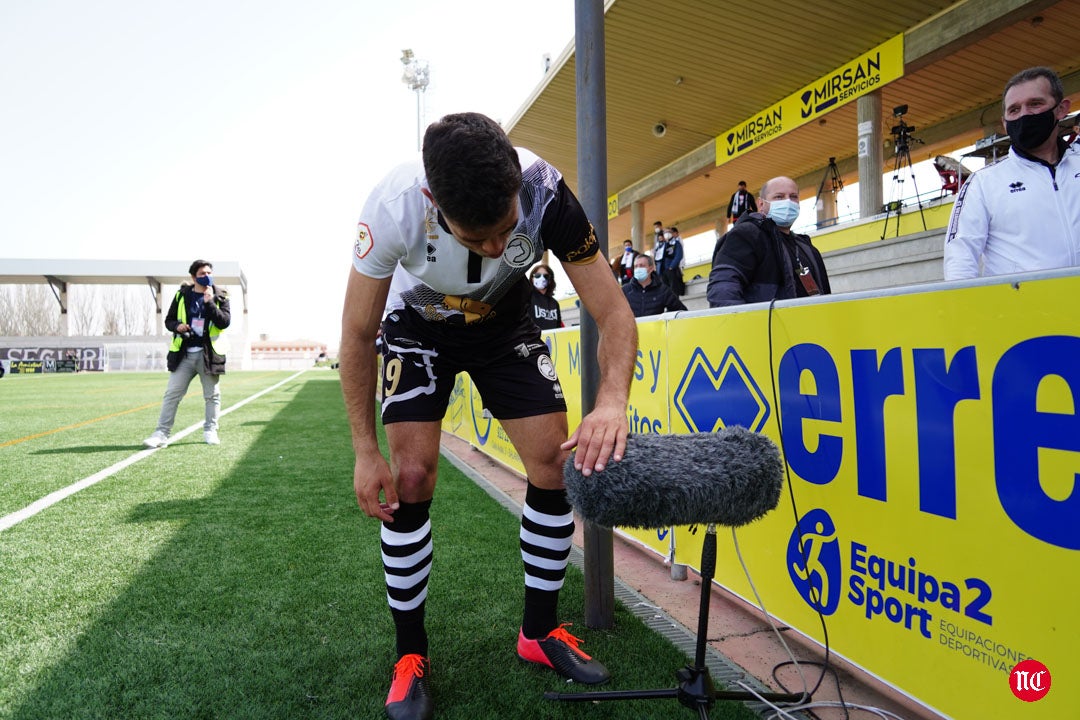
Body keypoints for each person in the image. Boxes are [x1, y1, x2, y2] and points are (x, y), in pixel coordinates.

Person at [340, 112, 637, 720]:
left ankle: (539, 632)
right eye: (477, 239)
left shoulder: (546, 190)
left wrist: (612, 401)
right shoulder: (393, 206)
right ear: (433, 201)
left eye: (505, 229)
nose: (499, 248)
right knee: (413, 477)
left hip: (504, 324)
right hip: (418, 327)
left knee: (555, 468)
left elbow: (614, 312)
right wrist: (364, 450)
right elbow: (356, 332)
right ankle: (409, 654)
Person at [944, 66, 1079, 280]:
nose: (1024, 114)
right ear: (1005, 124)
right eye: (1014, 110)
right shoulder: (984, 183)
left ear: (1061, 109)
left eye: (1035, 104)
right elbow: (960, 256)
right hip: (1022, 310)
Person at [143, 260, 230, 448]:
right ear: (193, 277)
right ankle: (161, 433)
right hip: (184, 354)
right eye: (202, 273)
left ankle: (210, 430)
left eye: (209, 272)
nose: (206, 276)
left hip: (208, 355)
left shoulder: (221, 295)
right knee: (172, 394)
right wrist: (177, 326)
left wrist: (209, 304)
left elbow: (224, 322)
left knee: (212, 395)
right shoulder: (182, 295)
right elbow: (169, 320)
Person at [707, 176, 831, 306]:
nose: (788, 202)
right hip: (766, 325)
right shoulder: (745, 236)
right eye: (779, 197)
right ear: (761, 204)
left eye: (793, 196)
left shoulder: (806, 247)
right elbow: (724, 289)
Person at [622, 254, 687, 317]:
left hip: (654, 327)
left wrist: (665, 318)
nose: (638, 269)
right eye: (636, 266)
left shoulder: (662, 290)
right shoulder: (625, 290)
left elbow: (682, 311)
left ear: (651, 269)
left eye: (641, 266)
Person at [528, 262, 563, 330]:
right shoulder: (527, 297)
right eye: (537, 275)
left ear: (550, 280)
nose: (541, 278)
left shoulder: (554, 303)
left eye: (546, 276)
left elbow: (558, 327)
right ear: (532, 278)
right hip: (532, 339)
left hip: (550, 339)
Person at [660, 226, 686, 295]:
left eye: (669, 232)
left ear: (672, 233)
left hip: (672, 269)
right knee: (665, 289)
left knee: (674, 289)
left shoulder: (676, 243)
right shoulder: (662, 245)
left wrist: (672, 266)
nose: (667, 234)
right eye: (665, 233)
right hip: (663, 271)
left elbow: (679, 255)